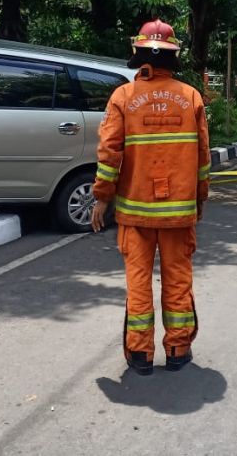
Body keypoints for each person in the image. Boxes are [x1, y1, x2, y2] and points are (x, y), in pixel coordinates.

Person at [90, 19, 211, 376]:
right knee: (178, 280)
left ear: (137, 54)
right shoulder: (190, 97)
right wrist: (199, 199)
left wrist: (101, 198)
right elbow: (203, 156)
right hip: (178, 215)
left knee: (138, 283)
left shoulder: (123, 98)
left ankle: (140, 356)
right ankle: (177, 349)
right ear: (173, 57)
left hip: (135, 215)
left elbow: (109, 153)